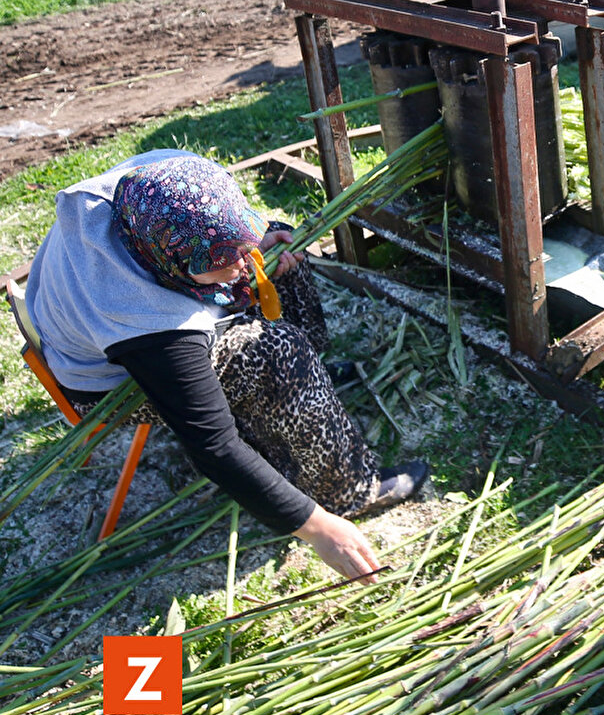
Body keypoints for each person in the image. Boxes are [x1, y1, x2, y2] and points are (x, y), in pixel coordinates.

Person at [25, 149, 429, 584]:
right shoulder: (151, 326)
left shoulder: (163, 181)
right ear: (175, 262)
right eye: (225, 260)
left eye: (240, 247)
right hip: (111, 381)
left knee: (281, 255)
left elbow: (225, 233)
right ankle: (347, 491)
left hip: (110, 313)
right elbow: (213, 447)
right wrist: (317, 527)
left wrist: (257, 240)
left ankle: (305, 393)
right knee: (273, 349)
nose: (242, 265)